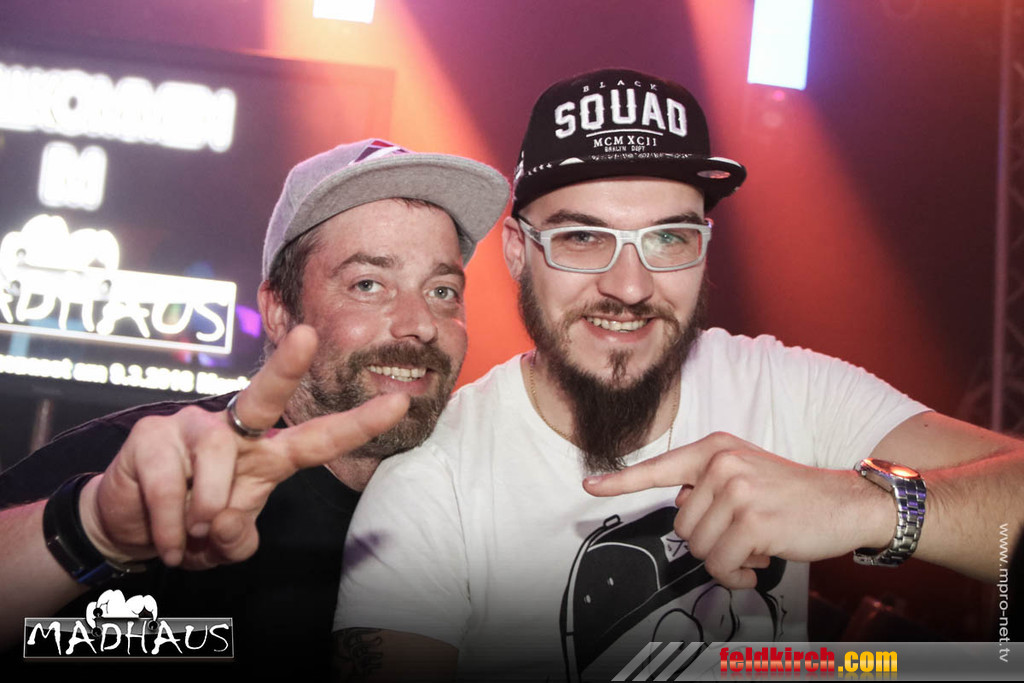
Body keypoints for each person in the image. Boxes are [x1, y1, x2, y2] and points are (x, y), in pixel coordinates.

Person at [333, 69, 1024, 681]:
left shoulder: (786, 387)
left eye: (669, 237)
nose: (630, 286)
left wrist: (863, 506)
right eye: (584, 237)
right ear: (518, 251)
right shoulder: (435, 479)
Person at [0, 138, 510, 678]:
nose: (420, 323)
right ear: (279, 310)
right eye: (368, 284)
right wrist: (95, 530)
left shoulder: (490, 503)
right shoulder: (147, 465)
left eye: (442, 291)